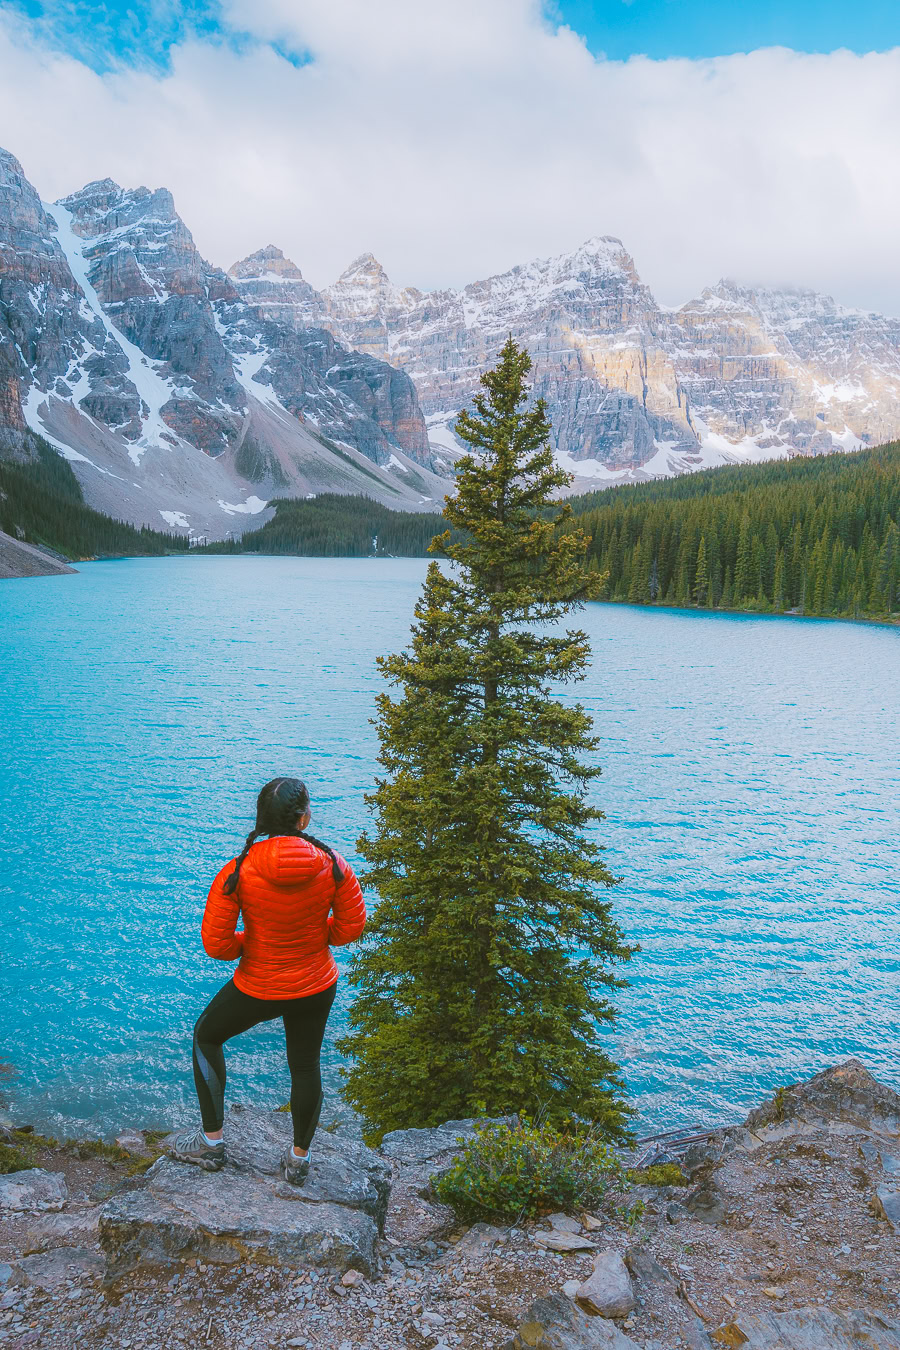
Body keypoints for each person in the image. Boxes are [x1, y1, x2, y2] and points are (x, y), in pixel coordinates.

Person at [169, 777, 366, 1183]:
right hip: (315, 983)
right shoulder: (333, 864)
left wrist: (255, 942)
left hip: (259, 985)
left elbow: (218, 945)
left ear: (261, 818)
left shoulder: (238, 870)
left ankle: (211, 1142)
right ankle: (299, 1159)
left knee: (206, 1037)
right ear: (304, 817)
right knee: (306, 1065)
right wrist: (313, 938)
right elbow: (350, 928)